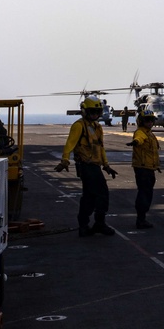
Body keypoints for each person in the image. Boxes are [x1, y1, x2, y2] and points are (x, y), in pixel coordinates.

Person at [55, 96, 119, 237]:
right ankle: (99, 224)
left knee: (89, 197)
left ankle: (84, 226)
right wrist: (65, 160)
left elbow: (100, 148)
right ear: (85, 111)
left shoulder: (97, 127)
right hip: (85, 166)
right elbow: (69, 144)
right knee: (102, 193)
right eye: (92, 111)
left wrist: (106, 165)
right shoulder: (79, 126)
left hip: (95, 166)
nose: (95, 114)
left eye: (97, 112)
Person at [127, 108, 161, 229]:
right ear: (141, 121)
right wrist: (135, 142)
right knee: (144, 193)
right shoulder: (141, 132)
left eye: (151, 120)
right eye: (147, 121)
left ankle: (142, 218)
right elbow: (139, 139)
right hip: (143, 169)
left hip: (149, 168)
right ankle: (140, 219)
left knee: (147, 193)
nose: (150, 123)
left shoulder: (150, 133)